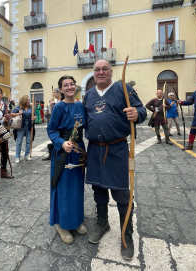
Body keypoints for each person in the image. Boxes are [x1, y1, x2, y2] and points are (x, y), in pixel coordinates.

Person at [83, 59, 147, 260]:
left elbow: (142, 111)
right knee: (98, 189)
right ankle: (103, 223)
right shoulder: (89, 95)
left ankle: (126, 233)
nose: (101, 72)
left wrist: (137, 113)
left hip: (117, 149)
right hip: (94, 149)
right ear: (94, 73)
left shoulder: (123, 89)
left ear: (111, 72)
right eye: (97, 70)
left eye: (104, 69)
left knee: (121, 193)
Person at [47, 75, 87, 244]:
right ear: (61, 90)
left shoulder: (80, 105)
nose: (70, 87)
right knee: (63, 187)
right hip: (64, 151)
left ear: (75, 87)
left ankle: (76, 220)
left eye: (72, 84)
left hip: (78, 150)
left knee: (77, 187)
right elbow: (51, 129)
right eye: (66, 85)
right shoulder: (59, 107)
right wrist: (62, 143)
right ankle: (62, 225)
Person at [0, 87, 14, 180]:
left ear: (1, 95)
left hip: (3, 131)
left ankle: (3, 171)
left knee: (4, 151)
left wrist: (8, 117)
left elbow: (8, 117)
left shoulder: (5, 105)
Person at [11, 95, 36, 163]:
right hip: (21, 125)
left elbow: (35, 114)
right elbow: (11, 114)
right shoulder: (19, 107)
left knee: (28, 140)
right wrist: (18, 113)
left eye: (29, 99)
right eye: (27, 100)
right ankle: (17, 156)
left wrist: (34, 117)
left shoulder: (31, 107)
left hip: (29, 125)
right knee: (19, 141)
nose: (29, 101)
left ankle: (27, 154)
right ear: (24, 100)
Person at [41, 88, 61, 161]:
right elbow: (49, 112)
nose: (54, 94)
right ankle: (52, 154)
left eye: (55, 92)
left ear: (59, 93)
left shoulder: (61, 101)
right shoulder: (54, 102)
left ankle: (56, 154)